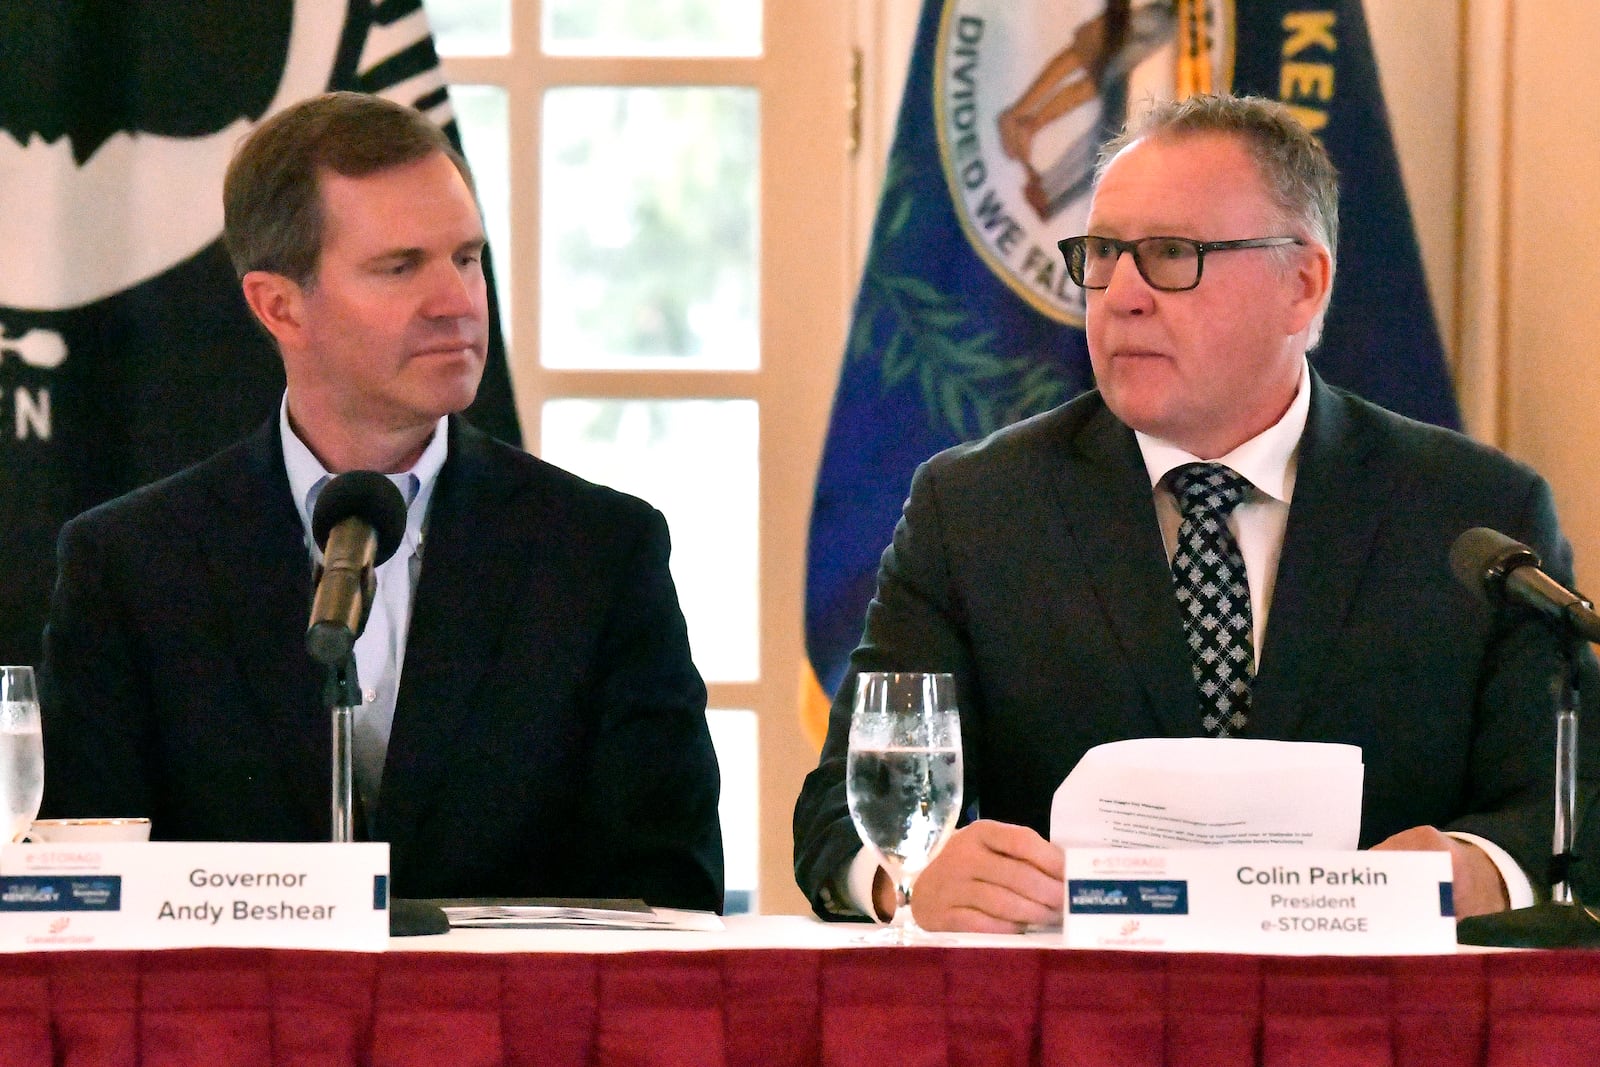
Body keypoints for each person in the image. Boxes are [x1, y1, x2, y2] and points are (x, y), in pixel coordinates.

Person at [794, 92, 1596, 930]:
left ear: (1303, 283)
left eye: (1172, 254)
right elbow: (837, 815)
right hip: (1071, 1029)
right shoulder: (975, 510)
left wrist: (1480, 870)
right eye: (1103, 254)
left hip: (1371, 1026)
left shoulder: (1473, 516)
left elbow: (1570, 806)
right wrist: (911, 880)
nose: (1122, 295)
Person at [38, 92, 723, 912]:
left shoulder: (601, 551)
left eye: (467, 258)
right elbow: (82, 900)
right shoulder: (131, 564)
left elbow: (669, 895)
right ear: (278, 304)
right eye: (401, 267)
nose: (458, 302)